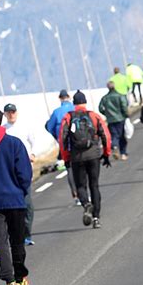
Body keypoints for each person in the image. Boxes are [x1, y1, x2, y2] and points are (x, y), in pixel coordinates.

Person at [0, 106, 32, 285]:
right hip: (15, 199)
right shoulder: (14, 143)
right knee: (17, 240)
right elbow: (25, 174)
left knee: (0, 242)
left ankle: (9, 282)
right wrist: (21, 192)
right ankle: (21, 278)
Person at [59, 91, 112, 230]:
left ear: (74, 103)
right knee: (94, 185)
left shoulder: (68, 117)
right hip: (94, 155)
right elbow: (105, 134)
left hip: (77, 157)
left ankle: (86, 204)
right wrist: (106, 153)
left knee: (81, 186)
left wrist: (66, 158)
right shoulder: (93, 116)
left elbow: (62, 139)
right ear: (85, 102)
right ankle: (96, 218)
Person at [3, 103, 37, 246]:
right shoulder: (3, 129)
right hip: (9, 172)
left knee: (27, 203)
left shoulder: (25, 126)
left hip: (24, 170)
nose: (11, 114)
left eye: (13, 112)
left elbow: (33, 141)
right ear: (5, 114)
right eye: (8, 112)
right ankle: (14, 235)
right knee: (12, 206)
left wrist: (33, 153)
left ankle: (27, 234)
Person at [45, 89, 79, 204]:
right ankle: (84, 192)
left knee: (70, 169)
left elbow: (49, 126)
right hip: (79, 144)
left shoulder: (56, 112)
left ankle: (75, 195)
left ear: (60, 98)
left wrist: (58, 137)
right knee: (81, 168)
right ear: (69, 97)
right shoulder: (75, 109)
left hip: (64, 145)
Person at [99, 81, 129, 161]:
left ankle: (114, 146)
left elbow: (100, 108)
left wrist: (106, 114)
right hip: (120, 118)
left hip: (110, 120)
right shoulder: (119, 96)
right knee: (122, 136)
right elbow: (124, 106)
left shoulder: (105, 98)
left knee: (114, 135)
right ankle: (123, 153)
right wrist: (125, 114)